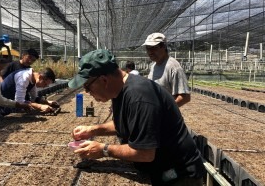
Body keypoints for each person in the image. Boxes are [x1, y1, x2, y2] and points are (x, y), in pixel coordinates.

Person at [68, 49, 205, 186]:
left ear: (104, 80)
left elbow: (145, 152)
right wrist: (92, 130)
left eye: (87, 86)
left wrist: (104, 150)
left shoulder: (138, 97)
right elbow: (126, 123)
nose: (87, 92)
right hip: (163, 170)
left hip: (179, 177)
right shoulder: (120, 91)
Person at [143, 33, 190, 107]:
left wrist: (166, 111)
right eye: (148, 48)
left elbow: (185, 97)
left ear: (164, 46)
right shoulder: (153, 66)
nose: (150, 52)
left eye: (153, 48)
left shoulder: (173, 67)